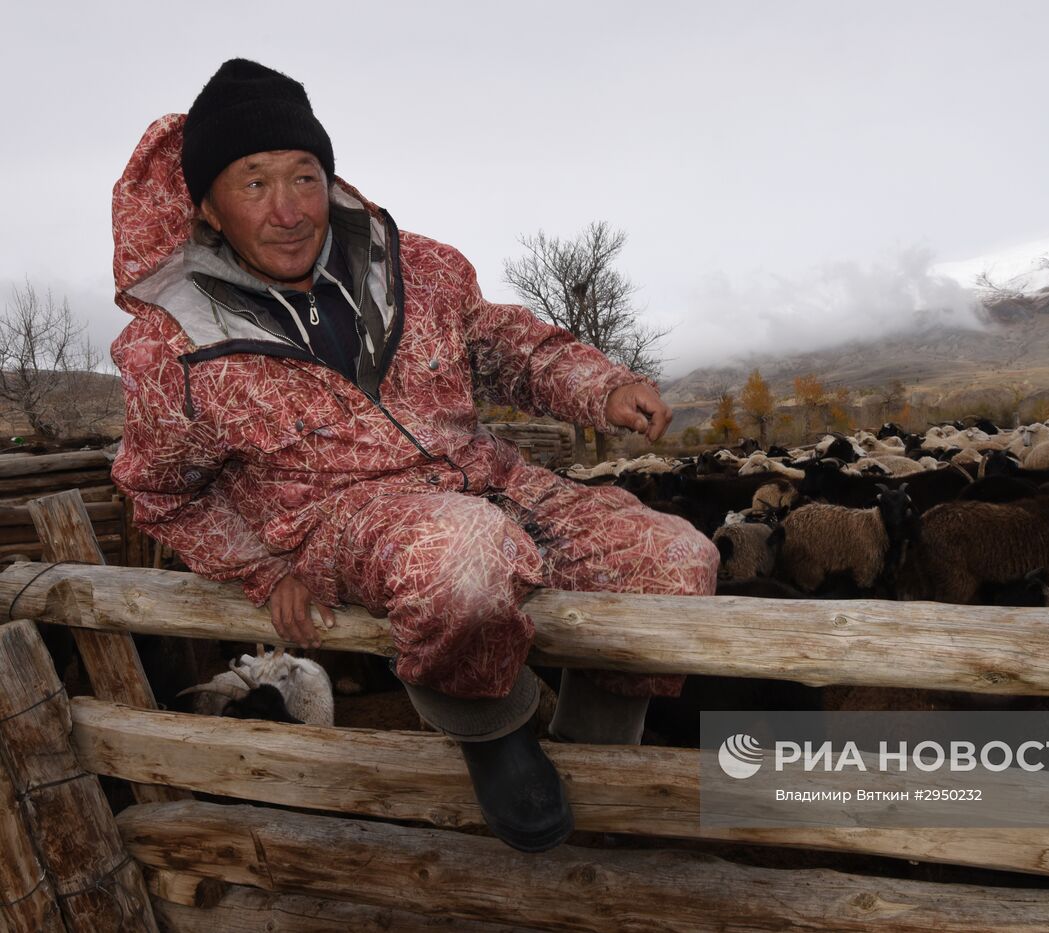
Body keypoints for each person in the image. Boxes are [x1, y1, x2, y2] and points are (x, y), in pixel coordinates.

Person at [110, 58, 718, 853]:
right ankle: (493, 728)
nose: (290, 209)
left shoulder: (417, 267)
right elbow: (159, 492)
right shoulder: (173, 351)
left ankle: (596, 749)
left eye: (304, 175)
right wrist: (265, 571)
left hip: (489, 478)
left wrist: (599, 386)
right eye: (253, 183)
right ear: (209, 209)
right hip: (350, 520)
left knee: (676, 557)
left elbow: (503, 346)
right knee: (464, 561)